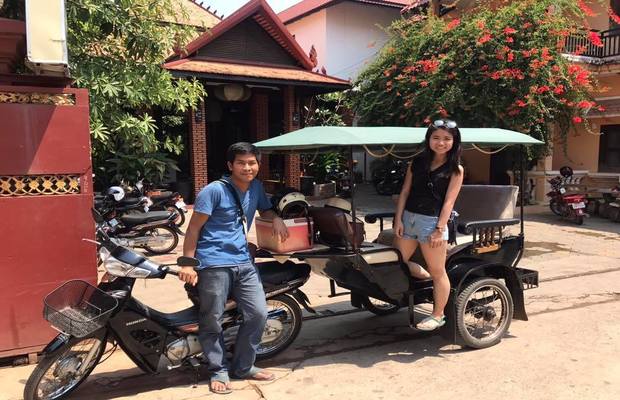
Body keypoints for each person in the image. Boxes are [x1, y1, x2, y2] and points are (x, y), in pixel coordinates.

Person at [178, 142, 290, 394]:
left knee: (259, 314)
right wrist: (187, 263)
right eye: (241, 162)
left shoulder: (257, 187)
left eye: (252, 162)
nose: (247, 167)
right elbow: (193, 228)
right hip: (213, 262)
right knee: (212, 319)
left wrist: (277, 218)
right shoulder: (213, 191)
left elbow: (266, 209)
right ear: (230, 166)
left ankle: (243, 366)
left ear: (258, 165)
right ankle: (218, 369)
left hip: (244, 262)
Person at [393, 120, 464, 331]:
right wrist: (398, 220)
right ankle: (423, 276)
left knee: (438, 271)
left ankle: (438, 314)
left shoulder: (455, 170)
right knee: (397, 262)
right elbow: (405, 192)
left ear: (454, 141)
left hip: (432, 222)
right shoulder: (417, 163)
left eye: (446, 138)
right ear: (429, 140)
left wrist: (439, 229)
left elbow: (449, 203)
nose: (441, 142)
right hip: (409, 218)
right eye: (436, 137)